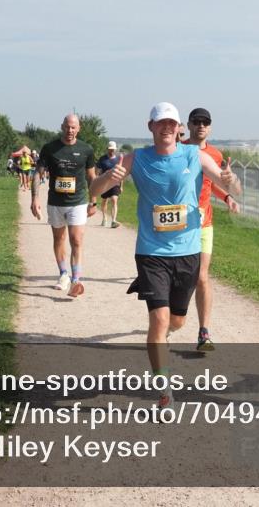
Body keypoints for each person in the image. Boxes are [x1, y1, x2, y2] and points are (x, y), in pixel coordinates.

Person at [90, 102, 241, 408]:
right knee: (158, 320)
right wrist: (109, 178)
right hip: (151, 251)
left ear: (179, 129)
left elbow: (231, 185)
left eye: (172, 124)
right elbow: (94, 190)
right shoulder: (137, 158)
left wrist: (230, 180)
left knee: (177, 321)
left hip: (187, 251)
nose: (168, 128)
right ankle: (164, 390)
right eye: (162, 123)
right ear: (151, 127)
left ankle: (165, 335)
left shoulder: (193, 155)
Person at [182, 107, 240, 352]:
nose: (201, 126)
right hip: (179, 224)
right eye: (197, 121)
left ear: (210, 126)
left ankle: (204, 332)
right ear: (189, 125)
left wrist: (228, 197)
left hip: (204, 222)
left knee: (202, 276)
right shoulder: (180, 149)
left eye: (205, 122)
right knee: (181, 278)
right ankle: (171, 317)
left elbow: (214, 182)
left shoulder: (216, 154)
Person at [31, 115, 98, 298]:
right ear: (62, 127)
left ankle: (76, 280)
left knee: (76, 240)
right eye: (67, 127)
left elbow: (92, 178)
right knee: (58, 239)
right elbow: (38, 174)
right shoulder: (49, 148)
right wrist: (35, 198)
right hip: (55, 202)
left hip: (78, 201)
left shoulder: (86, 149)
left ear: (79, 129)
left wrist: (93, 201)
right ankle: (63, 274)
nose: (70, 131)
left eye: (73, 128)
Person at [95, 141, 123, 228]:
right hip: (104, 183)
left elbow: (121, 172)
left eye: (113, 149)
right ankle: (104, 218)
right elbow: (97, 171)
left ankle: (113, 220)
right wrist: (97, 181)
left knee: (114, 200)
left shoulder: (118, 159)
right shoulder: (102, 159)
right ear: (107, 149)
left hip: (115, 183)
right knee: (104, 201)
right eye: (110, 149)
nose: (112, 151)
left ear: (115, 149)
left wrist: (121, 186)